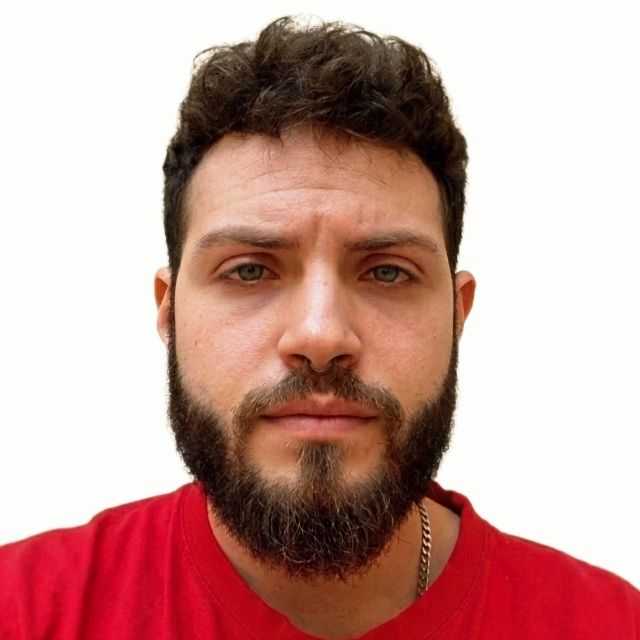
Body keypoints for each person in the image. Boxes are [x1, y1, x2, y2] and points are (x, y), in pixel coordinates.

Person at [1, 15, 638, 640]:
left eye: (387, 272)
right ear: (170, 311)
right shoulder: (21, 611)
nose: (321, 336)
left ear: (456, 313)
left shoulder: (610, 624)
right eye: (249, 270)